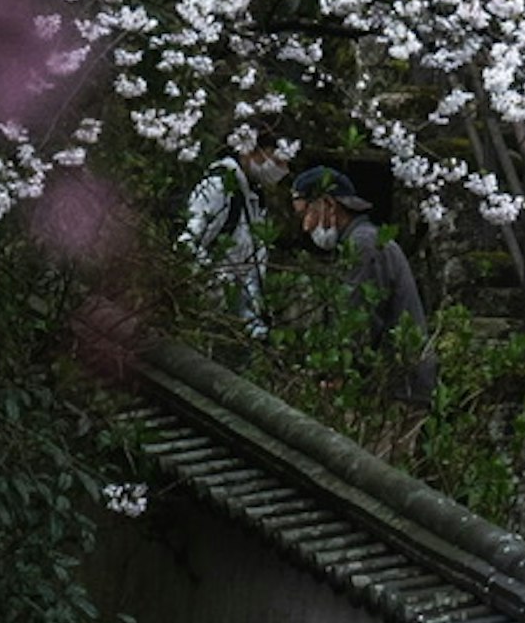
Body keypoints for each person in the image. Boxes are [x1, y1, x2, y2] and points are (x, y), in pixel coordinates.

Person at [291, 156, 433, 424]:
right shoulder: (363, 241)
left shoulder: (364, 245)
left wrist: (337, 373)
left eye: (306, 214)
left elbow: (358, 319)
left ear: (328, 205)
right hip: (395, 383)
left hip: (393, 388)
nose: (305, 226)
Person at [183, 107, 296, 332]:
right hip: (213, 318)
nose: (283, 168)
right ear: (250, 151)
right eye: (278, 159)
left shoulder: (253, 196)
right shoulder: (219, 187)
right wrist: (220, 290)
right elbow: (188, 245)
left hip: (241, 322)